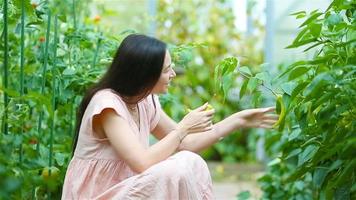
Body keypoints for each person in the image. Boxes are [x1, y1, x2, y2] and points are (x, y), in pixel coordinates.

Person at [62, 34, 278, 200]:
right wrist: (183, 128)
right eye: (167, 70)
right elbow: (142, 163)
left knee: (190, 161)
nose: (172, 74)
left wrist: (239, 120)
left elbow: (188, 144)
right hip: (98, 195)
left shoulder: (144, 101)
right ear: (144, 74)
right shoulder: (107, 104)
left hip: (127, 190)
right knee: (177, 168)